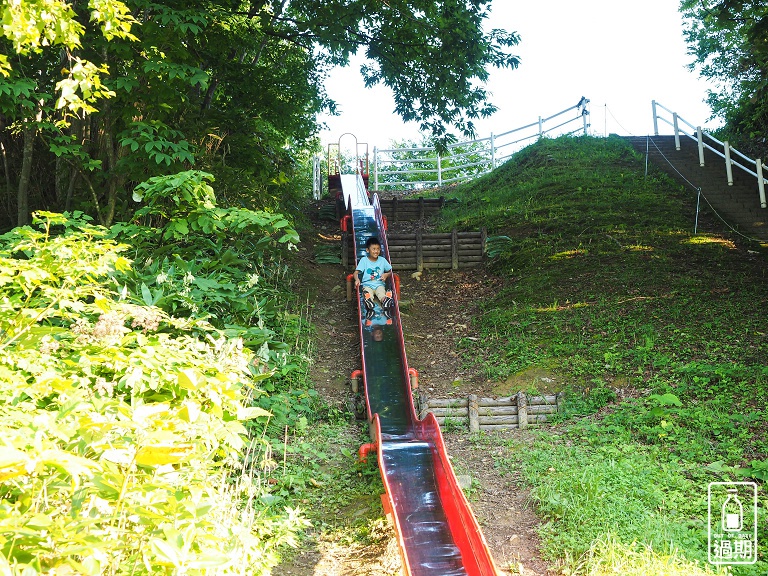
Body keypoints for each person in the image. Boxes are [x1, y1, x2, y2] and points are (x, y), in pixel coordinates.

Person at [354, 236, 394, 312]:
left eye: (378, 249)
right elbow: (356, 273)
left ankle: (385, 300)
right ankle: (369, 301)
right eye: (374, 249)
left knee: (381, 293)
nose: (376, 251)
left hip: (379, 284)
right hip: (367, 284)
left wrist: (386, 275)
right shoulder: (364, 260)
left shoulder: (382, 260)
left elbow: (390, 271)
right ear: (367, 250)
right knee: (368, 292)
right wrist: (357, 279)